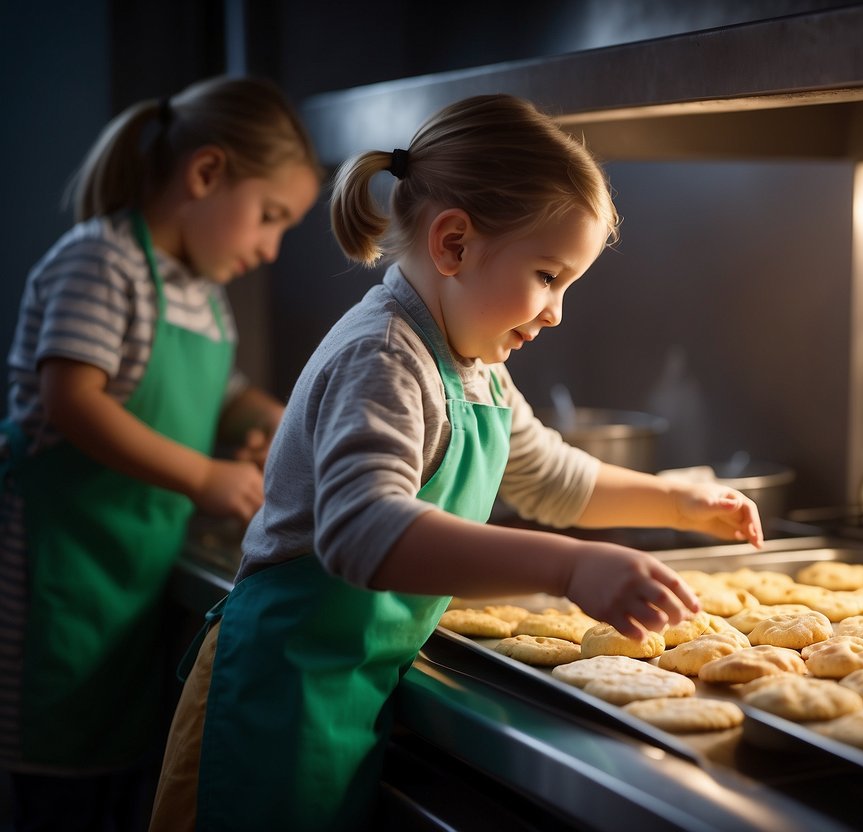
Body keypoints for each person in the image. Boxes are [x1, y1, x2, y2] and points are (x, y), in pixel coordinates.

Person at [149, 93, 763, 831]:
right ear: (453, 245)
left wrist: (678, 503)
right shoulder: (383, 357)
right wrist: (568, 569)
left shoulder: (471, 366)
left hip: (343, 683)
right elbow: (362, 531)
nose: (555, 311)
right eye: (546, 276)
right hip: (278, 692)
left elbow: (552, 477)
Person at [0, 75, 321, 831]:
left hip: (127, 574)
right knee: (51, 785)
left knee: (106, 777)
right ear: (206, 174)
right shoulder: (100, 262)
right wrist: (203, 475)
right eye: (268, 218)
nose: (271, 248)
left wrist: (266, 414)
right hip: (56, 573)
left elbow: (219, 393)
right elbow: (72, 400)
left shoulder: (200, 293)